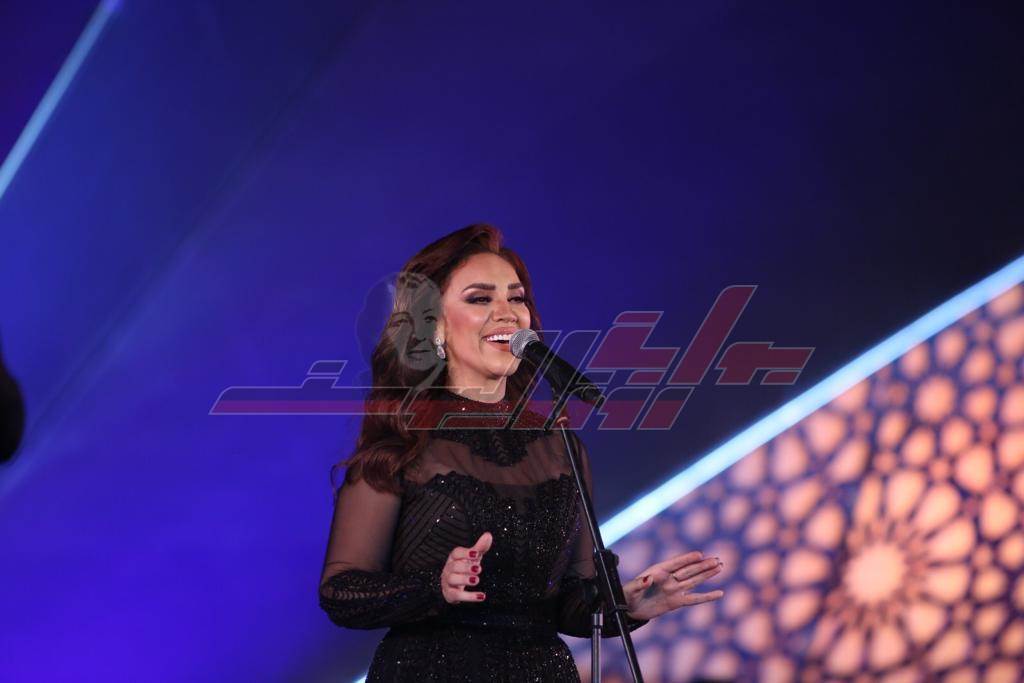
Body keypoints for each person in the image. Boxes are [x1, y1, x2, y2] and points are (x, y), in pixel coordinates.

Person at [318, 224, 724, 681]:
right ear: (434, 327)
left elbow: (572, 602)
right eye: (480, 299)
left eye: (517, 298)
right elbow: (341, 591)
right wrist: (435, 586)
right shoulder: (404, 444)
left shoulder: (559, 446)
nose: (507, 313)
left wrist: (627, 605)